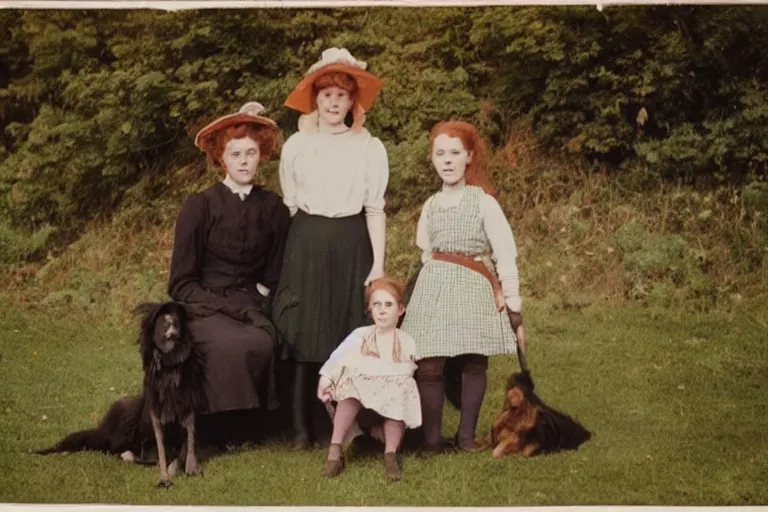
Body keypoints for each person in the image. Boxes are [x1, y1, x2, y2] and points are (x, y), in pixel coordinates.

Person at [271, 47, 390, 449]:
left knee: (347, 327)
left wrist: (378, 264)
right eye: (326, 95)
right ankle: (302, 426)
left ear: (352, 101)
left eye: (342, 95)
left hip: (351, 240)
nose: (334, 102)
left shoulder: (369, 147)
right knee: (303, 327)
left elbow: (375, 209)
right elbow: (289, 206)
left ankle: (348, 422)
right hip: (305, 241)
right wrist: (284, 262)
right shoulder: (296, 147)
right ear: (315, 100)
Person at [400, 120, 526, 454]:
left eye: (455, 153)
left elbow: (504, 252)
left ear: (469, 157)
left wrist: (511, 298)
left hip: (474, 283)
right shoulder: (430, 205)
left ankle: (466, 437)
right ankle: (431, 439)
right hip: (435, 284)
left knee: (473, 359)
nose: (447, 160)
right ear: (433, 159)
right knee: (429, 362)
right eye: (440, 153)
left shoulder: (483, 201)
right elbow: (426, 249)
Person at [167, 102, 291, 441]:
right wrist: (223, 305)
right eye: (235, 154)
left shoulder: (274, 208)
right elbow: (180, 282)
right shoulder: (200, 206)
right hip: (203, 303)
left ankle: (247, 428)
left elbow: (276, 268)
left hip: (250, 302)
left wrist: (260, 296)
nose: (244, 161)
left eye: (250, 153)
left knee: (262, 341)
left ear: (261, 155)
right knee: (225, 344)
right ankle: (209, 430)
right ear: (221, 158)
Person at [316, 276, 421, 481]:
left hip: (389, 407)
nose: (382, 310)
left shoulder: (406, 341)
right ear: (370, 310)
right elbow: (339, 357)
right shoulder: (360, 335)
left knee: (401, 386)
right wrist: (326, 377)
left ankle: (390, 454)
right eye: (376, 305)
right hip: (362, 408)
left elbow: (410, 367)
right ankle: (335, 451)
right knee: (351, 385)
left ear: (400, 310)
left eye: (388, 305)